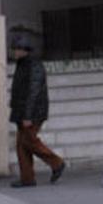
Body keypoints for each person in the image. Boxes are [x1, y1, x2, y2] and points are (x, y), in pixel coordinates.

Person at [9, 37, 65, 188]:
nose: (14, 52)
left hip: (33, 112)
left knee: (28, 141)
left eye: (16, 49)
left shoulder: (34, 65)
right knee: (21, 145)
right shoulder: (22, 64)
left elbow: (33, 92)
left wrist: (28, 115)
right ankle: (27, 178)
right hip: (22, 110)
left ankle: (57, 163)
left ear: (23, 50)